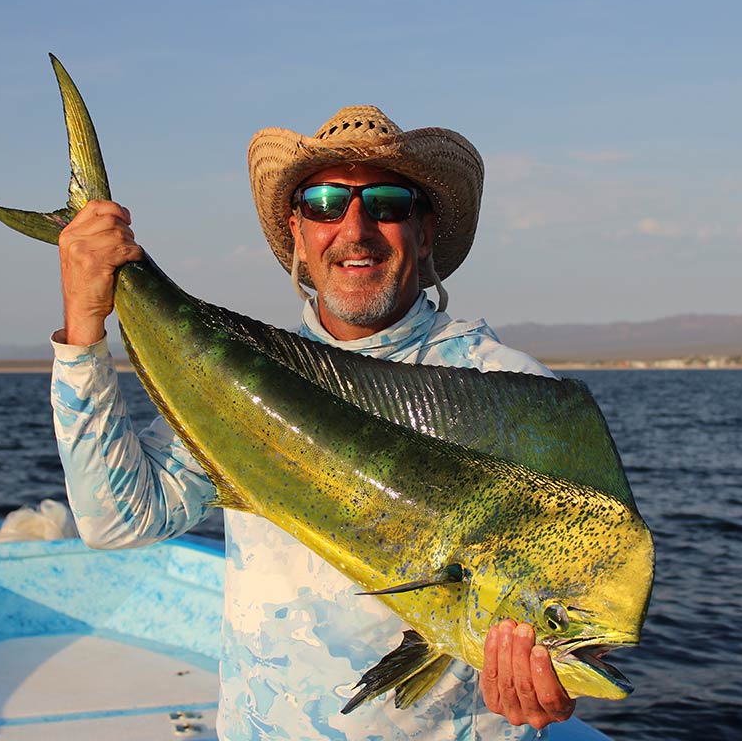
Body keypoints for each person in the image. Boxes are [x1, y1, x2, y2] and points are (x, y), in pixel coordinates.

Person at [50, 105, 576, 739]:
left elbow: (573, 624)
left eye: (387, 201)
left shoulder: (511, 396)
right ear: (297, 232)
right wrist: (83, 330)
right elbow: (119, 519)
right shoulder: (246, 384)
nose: (355, 229)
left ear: (426, 230)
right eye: (326, 202)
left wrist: (552, 688)